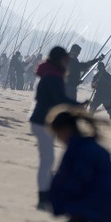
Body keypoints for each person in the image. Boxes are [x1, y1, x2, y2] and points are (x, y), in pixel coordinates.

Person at [29, 47, 80, 211]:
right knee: (47, 160)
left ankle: (49, 195)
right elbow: (59, 99)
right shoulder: (53, 76)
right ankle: (43, 199)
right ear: (59, 59)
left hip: (43, 121)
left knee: (48, 159)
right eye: (65, 59)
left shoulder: (49, 72)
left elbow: (56, 100)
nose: (67, 62)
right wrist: (78, 106)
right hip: (42, 121)